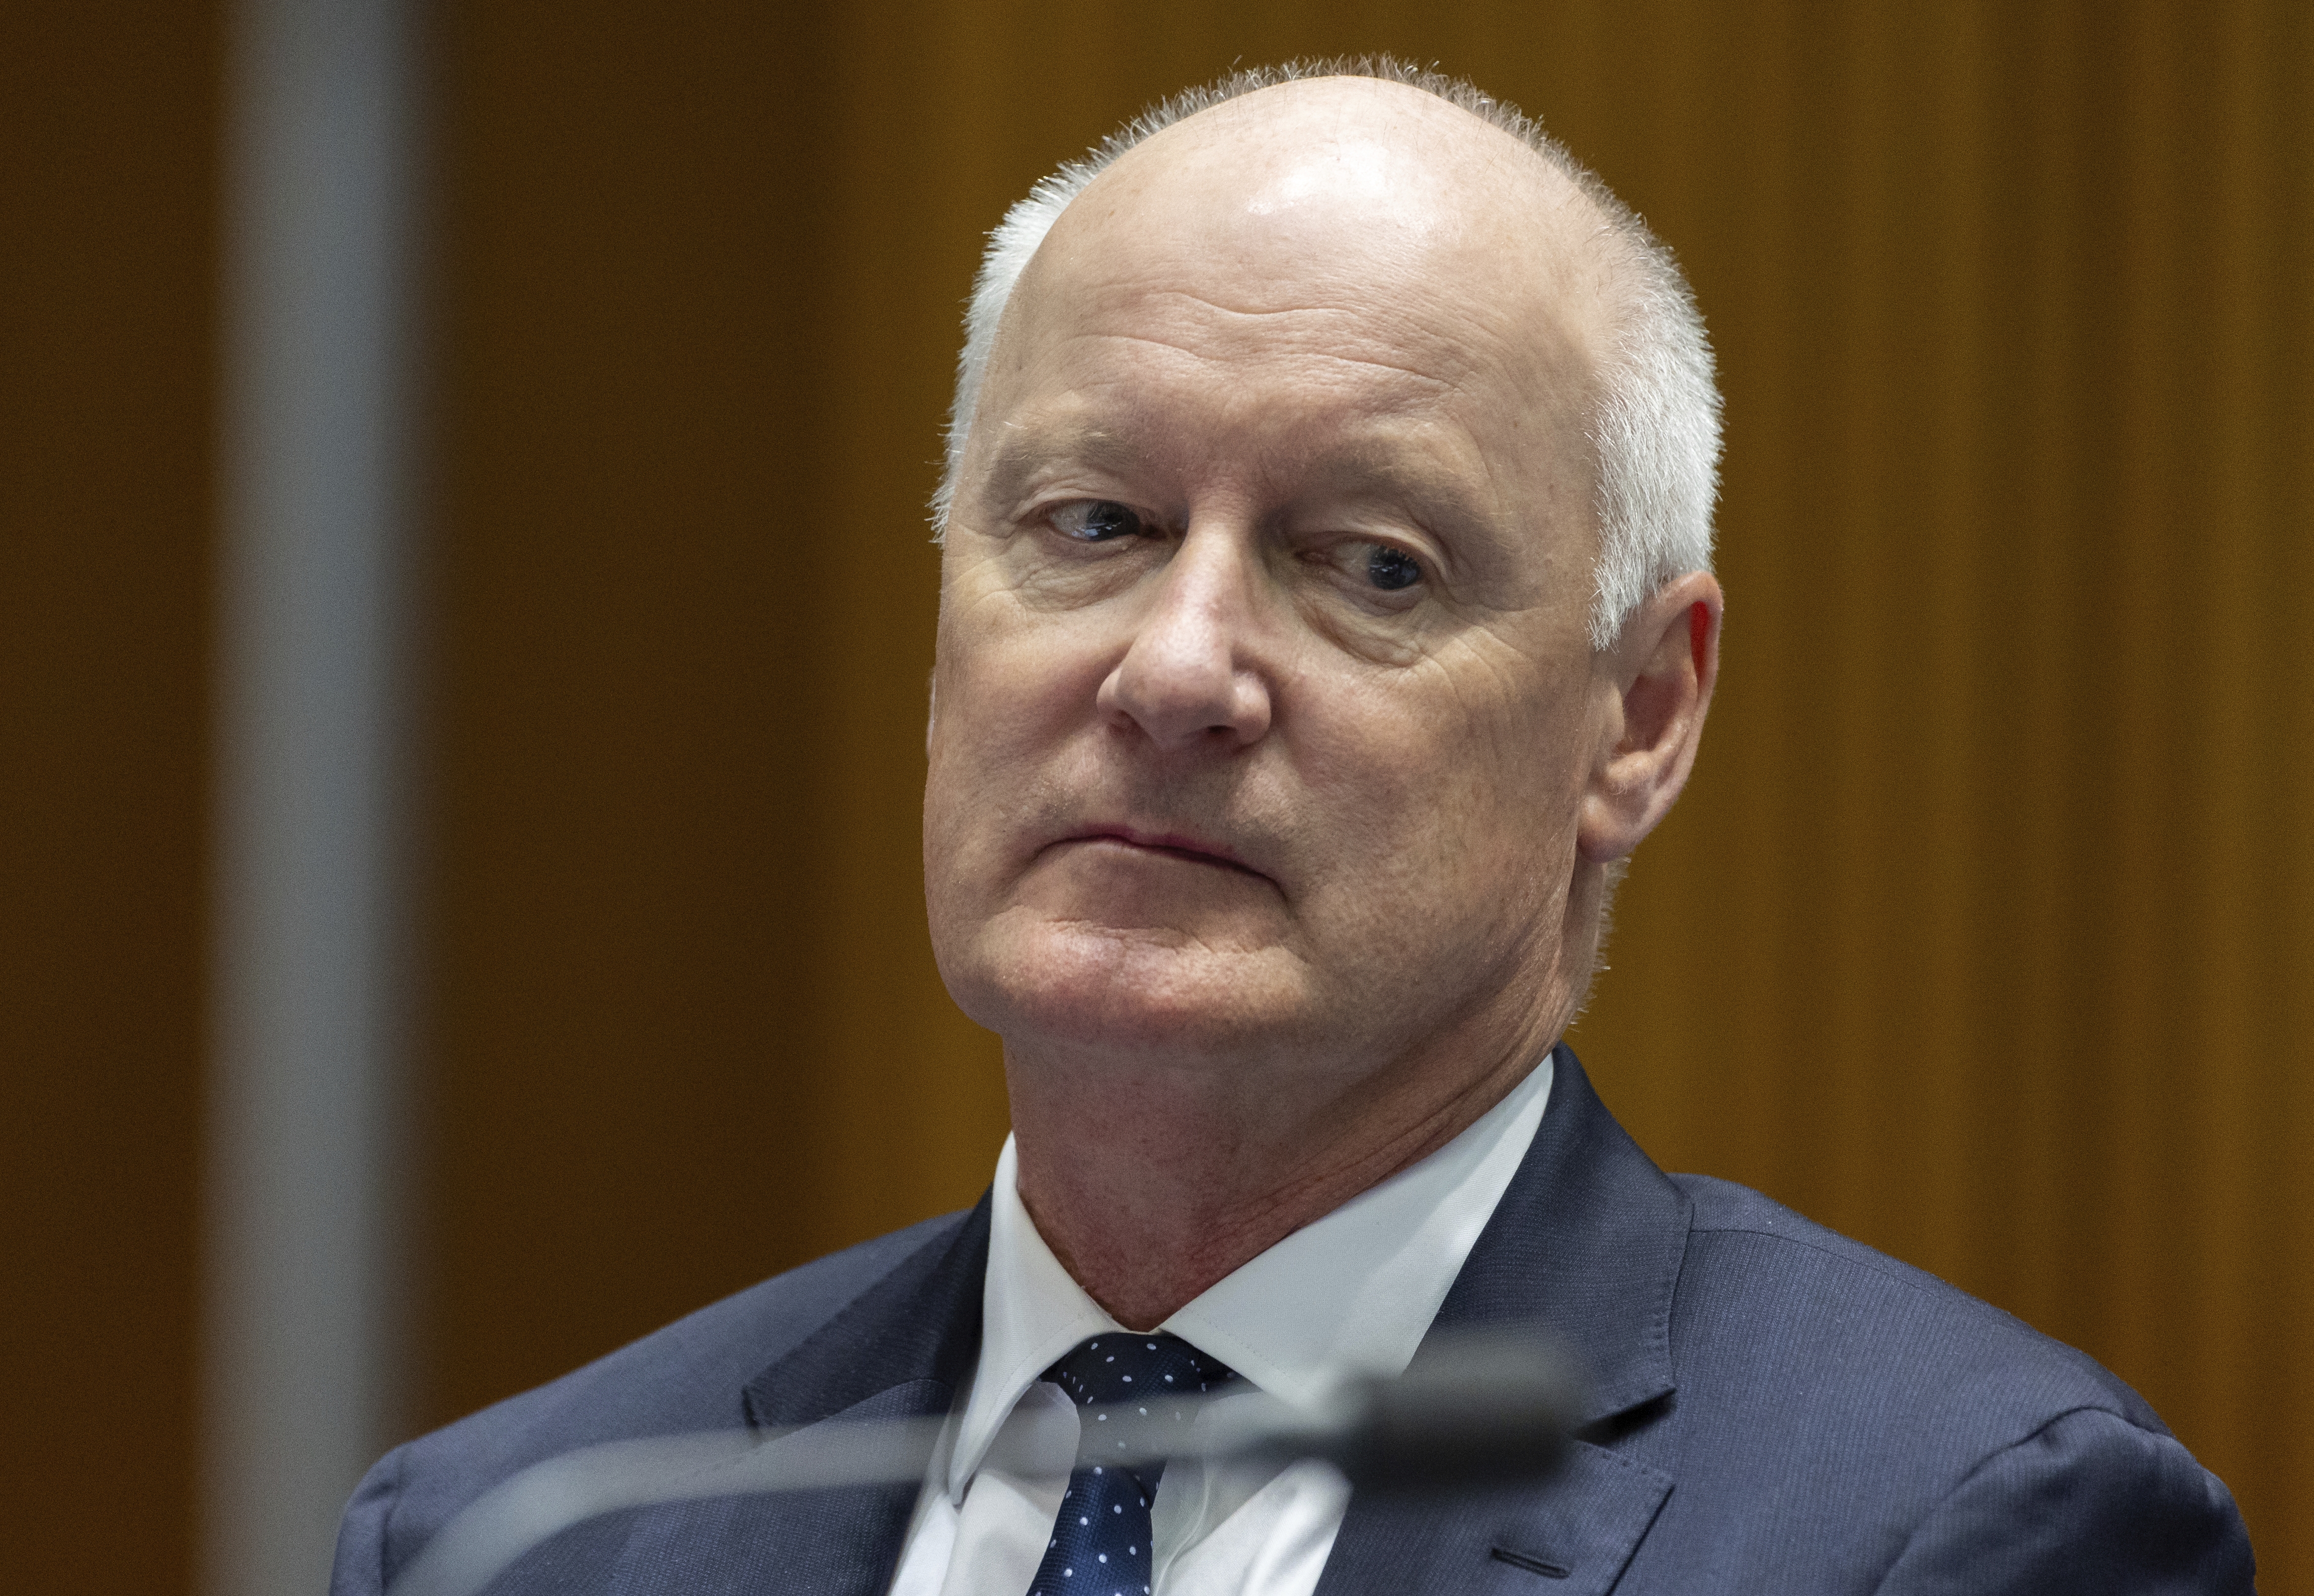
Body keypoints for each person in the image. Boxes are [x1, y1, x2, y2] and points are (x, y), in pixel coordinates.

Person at [333, 59, 2254, 1595]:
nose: (1177, 670)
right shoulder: (528, 1535)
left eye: (1372, 565)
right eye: (1094, 524)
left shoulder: (1947, 1528)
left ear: (1641, 714)